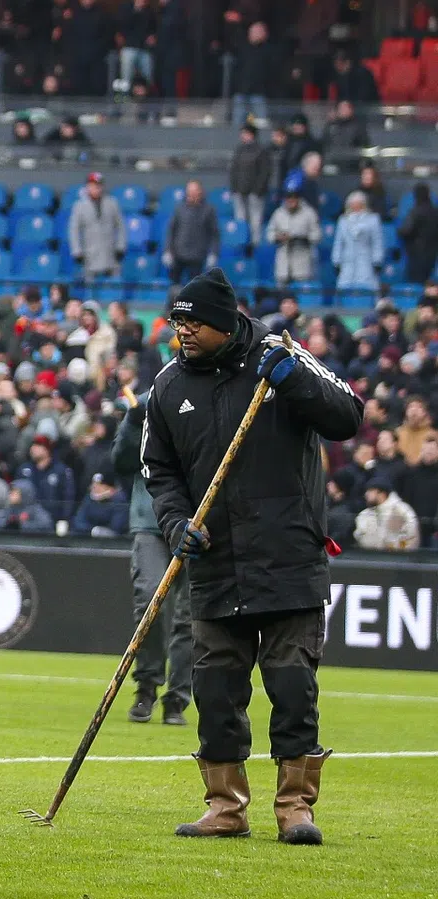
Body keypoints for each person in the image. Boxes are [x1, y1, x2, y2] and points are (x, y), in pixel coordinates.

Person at [142, 268, 361, 845]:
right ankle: (225, 806)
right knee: (215, 691)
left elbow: (348, 415)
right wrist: (175, 523)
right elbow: (160, 474)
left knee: (292, 687)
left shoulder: (281, 356)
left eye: (191, 322)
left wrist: (294, 382)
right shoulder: (167, 387)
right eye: (177, 321)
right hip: (215, 562)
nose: (180, 332)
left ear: (223, 322)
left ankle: (295, 808)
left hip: (289, 555)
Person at [113, 389, 190, 725]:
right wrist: (132, 423)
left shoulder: (219, 394)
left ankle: (178, 697)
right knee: (149, 600)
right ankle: (147, 685)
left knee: (192, 616)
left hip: (201, 521)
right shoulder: (148, 400)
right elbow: (122, 461)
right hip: (152, 521)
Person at [67, 172, 126, 282]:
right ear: (87, 186)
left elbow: (121, 226)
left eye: (98, 185)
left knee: (113, 288)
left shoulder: (112, 203)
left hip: (110, 253)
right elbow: (73, 230)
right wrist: (77, 251)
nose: (96, 188)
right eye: (93, 185)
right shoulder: (79, 206)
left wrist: (120, 247)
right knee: (90, 289)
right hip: (89, 254)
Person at [163, 180, 219, 284]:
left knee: (194, 287)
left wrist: (213, 253)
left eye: (194, 191)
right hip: (178, 254)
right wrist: (167, 250)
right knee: (175, 286)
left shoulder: (209, 210)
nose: (191, 194)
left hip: (197, 256)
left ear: (200, 192)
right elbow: (171, 230)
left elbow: (215, 234)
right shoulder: (179, 208)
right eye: (189, 192)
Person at [333, 191, 384, 294]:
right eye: (353, 204)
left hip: (366, 260)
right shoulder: (343, 220)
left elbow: (377, 241)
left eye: (358, 203)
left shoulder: (373, 219)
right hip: (347, 260)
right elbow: (338, 242)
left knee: (367, 288)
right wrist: (336, 260)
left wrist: (377, 260)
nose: (356, 206)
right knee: (344, 287)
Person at [228, 124, 271, 246]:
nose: (242, 135)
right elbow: (234, 170)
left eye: (245, 133)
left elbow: (265, 172)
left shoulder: (261, 150)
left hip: (255, 193)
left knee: (255, 221)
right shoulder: (239, 149)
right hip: (239, 191)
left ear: (251, 134)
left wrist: (257, 190)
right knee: (240, 220)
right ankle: (241, 243)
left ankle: (254, 246)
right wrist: (234, 188)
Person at [265, 193, 320, 286]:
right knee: (282, 292)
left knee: (301, 289)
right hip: (284, 259)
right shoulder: (279, 213)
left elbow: (317, 235)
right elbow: (269, 235)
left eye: (294, 198)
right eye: (288, 198)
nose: (291, 200)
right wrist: (278, 237)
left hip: (302, 258)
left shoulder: (308, 213)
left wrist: (300, 238)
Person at [353, 477, 419, 551]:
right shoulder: (365, 514)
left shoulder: (401, 511)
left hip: (395, 559)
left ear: (381, 493)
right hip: (368, 559)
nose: (366, 494)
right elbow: (359, 538)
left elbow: (412, 538)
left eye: (370, 491)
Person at [399, 183, 438, 285]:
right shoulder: (435, 212)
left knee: (416, 284)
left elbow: (405, 231)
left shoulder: (415, 212)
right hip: (432, 255)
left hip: (416, 254)